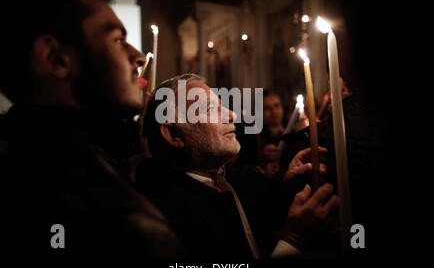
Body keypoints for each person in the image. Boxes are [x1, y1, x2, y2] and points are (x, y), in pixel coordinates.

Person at [0, 0, 181, 256]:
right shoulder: (106, 216)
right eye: (116, 40)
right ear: (56, 59)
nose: (138, 57)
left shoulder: (9, 177)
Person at [137, 73, 339, 258]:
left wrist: (287, 186)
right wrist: (293, 241)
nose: (232, 115)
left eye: (221, 106)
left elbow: (259, 214)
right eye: (209, 109)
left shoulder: (231, 178)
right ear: (174, 134)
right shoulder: (161, 218)